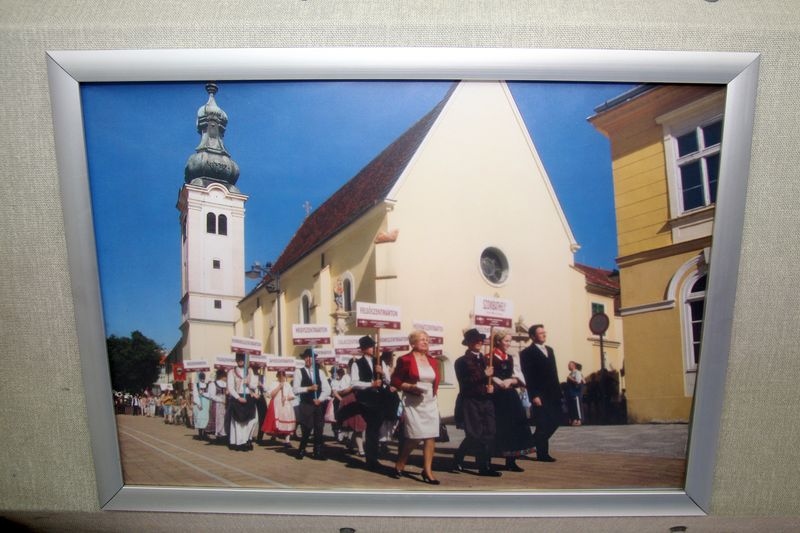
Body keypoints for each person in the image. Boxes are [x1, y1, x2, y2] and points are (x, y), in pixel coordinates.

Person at [391, 330, 441, 484]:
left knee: (431, 436)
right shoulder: (405, 360)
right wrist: (410, 387)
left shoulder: (433, 360)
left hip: (430, 401)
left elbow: (435, 380)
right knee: (415, 436)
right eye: (422, 339)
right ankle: (401, 462)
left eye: (427, 339)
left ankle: (427, 471)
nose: (426, 342)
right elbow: (395, 380)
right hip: (413, 401)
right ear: (413, 343)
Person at [453, 328, 501, 477]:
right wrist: (483, 374)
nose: (479, 342)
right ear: (468, 343)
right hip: (470, 401)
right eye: (475, 340)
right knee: (475, 434)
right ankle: (459, 459)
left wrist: (493, 387)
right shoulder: (461, 361)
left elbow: (492, 379)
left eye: (480, 339)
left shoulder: (487, 360)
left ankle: (485, 466)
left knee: (489, 432)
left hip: (486, 400)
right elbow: (464, 382)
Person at [489, 330, 533, 471]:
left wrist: (511, 380)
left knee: (514, 427)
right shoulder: (489, 357)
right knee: (498, 427)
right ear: (498, 341)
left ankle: (511, 461)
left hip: (510, 396)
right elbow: (487, 375)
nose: (508, 343)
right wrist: (497, 380)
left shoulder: (511, 357)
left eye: (509, 341)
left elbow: (519, 378)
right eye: (506, 341)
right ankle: (488, 461)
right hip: (496, 397)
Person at [519, 324, 563, 462]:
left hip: (553, 393)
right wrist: (534, 395)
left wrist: (559, 391)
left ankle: (526, 445)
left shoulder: (549, 350)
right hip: (540, 394)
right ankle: (542, 454)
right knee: (543, 424)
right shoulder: (527, 353)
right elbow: (529, 376)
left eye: (544, 332)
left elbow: (554, 372)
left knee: (556, 420)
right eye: (540, 333)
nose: (544, 334)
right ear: (532, 336)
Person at [292, 348, 331, 460]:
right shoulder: (299, 372)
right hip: (306, 404)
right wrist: (308, 388)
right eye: (306, 357)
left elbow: (327, 389)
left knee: (319, 428)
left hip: (317, 405)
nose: (308, 359)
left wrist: (320, 399)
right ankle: (302, 449)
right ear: (304, 359)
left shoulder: (320, 372)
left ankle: (317, 451)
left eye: (311, 357)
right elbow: (295, 389)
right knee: (306, 428)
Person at [227, 352, 260, 451]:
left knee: (250, 420)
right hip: (238, 397)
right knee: (239, 422)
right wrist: (238, 398)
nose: (240, 361)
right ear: (236, 360)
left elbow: (254, 385)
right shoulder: (231, 372)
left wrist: (248, 382)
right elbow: (230, 387)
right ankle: (239, 443)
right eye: (238, 358)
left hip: (248, 397)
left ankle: (246, 440)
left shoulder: (249, 370)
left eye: (242, 359)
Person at [261, 369, 296, 447]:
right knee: (276, 422)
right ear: (277, 376)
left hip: (286, 406)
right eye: (280, 376)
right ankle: (274, 435)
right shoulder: (274, 383)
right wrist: (279, 387)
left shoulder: (287, 384)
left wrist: (286, 398)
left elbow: (292, 396)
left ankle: (287, 440)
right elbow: (271, 395)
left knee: (287, 422)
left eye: (283, 376)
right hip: (276, 405)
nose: (282, 377)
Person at [329, 366, 352, 444]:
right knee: (338, 418)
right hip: (338, 401)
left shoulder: (345, 380)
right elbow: (335, 392)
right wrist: (341, 399)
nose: (341, 374)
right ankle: (339, 434)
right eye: (340, 372)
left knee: (346, 418)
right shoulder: (334, 381)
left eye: (342, 372)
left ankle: (346, 435)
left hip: (345, 401)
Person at [566, 361, 585, 426]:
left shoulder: (577, 372)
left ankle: (579, 420)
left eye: (569, 365)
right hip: (571, 393)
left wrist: (570, 378)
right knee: (573, 407)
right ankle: (575, 419)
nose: (568, 366)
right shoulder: (571, 373)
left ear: (573, 365)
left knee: (577, 406)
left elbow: (578, 382)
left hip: (576, 393)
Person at [193, 373, 211, 440]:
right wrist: (198, 404)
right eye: (202, 377)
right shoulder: (196, 385)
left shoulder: (207, 385)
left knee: (206, 418)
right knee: (200, 418)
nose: (203, 379)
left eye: (203, 377)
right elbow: (195, 395)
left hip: (206, 402)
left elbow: (209, 394)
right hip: (200, 402)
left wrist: (203, 393)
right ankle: (200, 434)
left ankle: (205, 434)